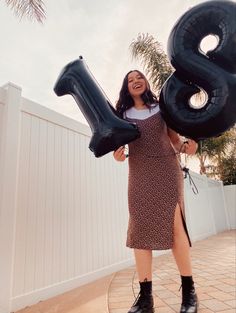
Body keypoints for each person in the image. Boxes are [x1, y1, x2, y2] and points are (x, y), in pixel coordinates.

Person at [113, 70, 199, 313]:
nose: (136, 81)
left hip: (166, 172)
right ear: (126, 88)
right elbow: (117, 147)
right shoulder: (121, 115)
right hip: (139, 175)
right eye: (130, 80)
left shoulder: (162, 107)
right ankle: (145, 298)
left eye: (139, 77)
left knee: (175, 228)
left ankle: (189, 293)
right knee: (140, 231)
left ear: (146, 82)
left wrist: (187, 147)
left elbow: (174, 139)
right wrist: (118, 157)